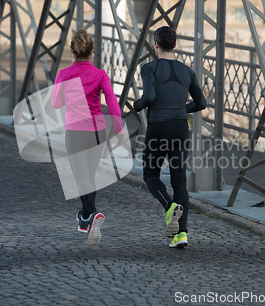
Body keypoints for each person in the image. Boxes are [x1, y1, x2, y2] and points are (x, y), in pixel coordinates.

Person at [133, 26, 206, 248]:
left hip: (158, 126)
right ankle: (181, 234)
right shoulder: (187, 71)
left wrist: (137, 105)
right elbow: (201, 103)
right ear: (175, 44)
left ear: (155, 43)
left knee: (151, 174)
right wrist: (182, 109)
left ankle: (169, 208)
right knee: (179, 181)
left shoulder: (149, 68)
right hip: (180, 127)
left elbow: (150, 96)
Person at [51, 28, 123, 246]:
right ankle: (84, 218)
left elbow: (55, 103)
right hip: (96, 131)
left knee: (80, 177)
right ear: (92, 51)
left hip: (75, 131)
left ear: (73, 52)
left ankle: (92, 214)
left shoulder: (64, 74)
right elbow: (111, 101)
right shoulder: (100, 74)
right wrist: (118, 127)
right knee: (88, 176)